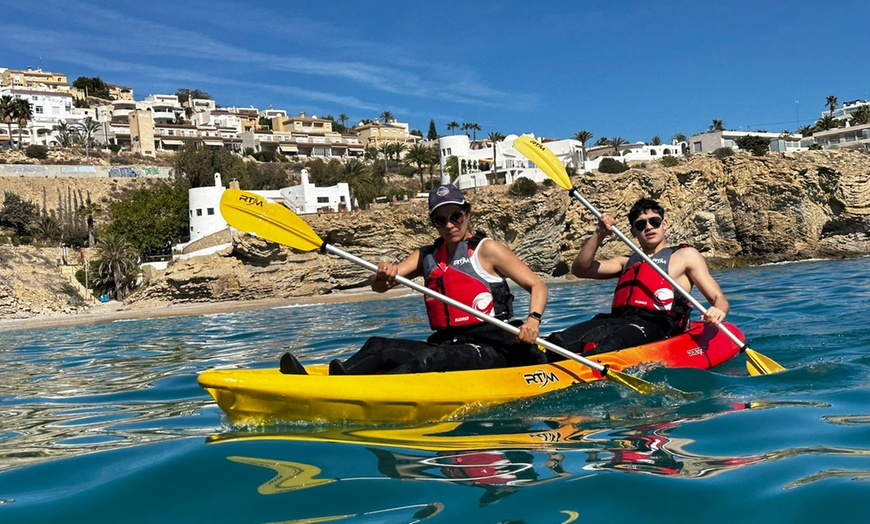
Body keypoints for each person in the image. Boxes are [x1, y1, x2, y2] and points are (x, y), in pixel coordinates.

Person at [280, 183, 548, 375]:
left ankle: (371, 392)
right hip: (447, 341)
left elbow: (537, 285)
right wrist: (384, 274)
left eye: (455, 217)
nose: (450, 225)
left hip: (491, 345)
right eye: (440, 220)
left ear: (467, 214)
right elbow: (380, 287)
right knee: (378, 345)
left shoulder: (487, 249)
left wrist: (533, 320)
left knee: (433, 359)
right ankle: (333, 382)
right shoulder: (427, 255)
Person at [546, 198, 728, 358]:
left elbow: (719, 299)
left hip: (657, 324)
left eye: (654, 221)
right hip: (618, 320)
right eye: (641, 225)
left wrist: (717, 310)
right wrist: (599, 234)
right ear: (633, 232)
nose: (648, 227)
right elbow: (580, 269)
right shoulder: (626, 262)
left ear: (664, 224)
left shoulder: (685, 255)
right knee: (557, 341)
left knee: (610, 346)